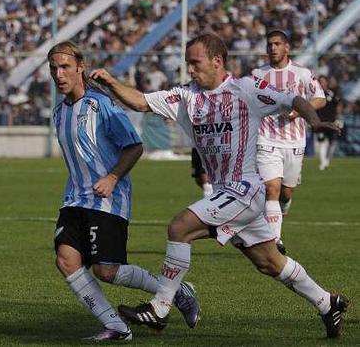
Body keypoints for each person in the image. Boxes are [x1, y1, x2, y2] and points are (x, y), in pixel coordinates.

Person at [90, 33, 348, 338]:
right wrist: (111, 83)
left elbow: (293, 99)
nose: (191, 70)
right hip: (227, 193)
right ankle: (327, 302)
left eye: (195, 63)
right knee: (269, 262)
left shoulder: (247, 88)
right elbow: (141, 101)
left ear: (217, 60)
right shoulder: (187, 97)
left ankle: (160, 308)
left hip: (246, 188)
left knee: (180, 227)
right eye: (188, 64)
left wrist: (314, 122)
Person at [48, 41, 200, 342]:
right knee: (66, 261)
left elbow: (134, 147)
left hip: (107, 200)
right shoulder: (58, 112)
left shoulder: (101, 105)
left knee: (108, 271)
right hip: (75, 198)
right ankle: (116, 326)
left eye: (65, 67)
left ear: (80, 67)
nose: (58, 74)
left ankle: (176, 290)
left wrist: (112, 178)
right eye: (53, 68)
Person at [252, 29, 327, 254]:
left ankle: (283, 208)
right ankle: (274, 240)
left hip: (294, 142)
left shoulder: (302, 73)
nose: (272, 48)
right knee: (271, 188)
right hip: (266, 138)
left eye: (277, 44)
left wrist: (299, 111)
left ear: (287, 48)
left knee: (285, 193)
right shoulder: (257, 74)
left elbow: (320, 98)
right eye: (269, 44)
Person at [315, 75, 342, 170]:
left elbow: (338, 104)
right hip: (320, 121)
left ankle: (327, 160)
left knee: (332, 142)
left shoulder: (331, 93)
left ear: (326, 82)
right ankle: (323, 163)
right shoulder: (315, 94)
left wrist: (338, 118)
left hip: (331, 121)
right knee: (321, 141)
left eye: (323, 81)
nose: (322, 83)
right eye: (320, 81)